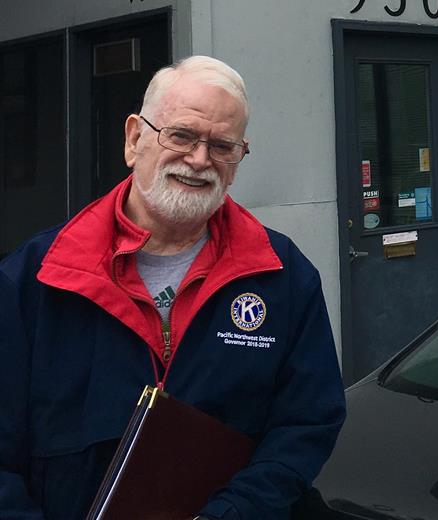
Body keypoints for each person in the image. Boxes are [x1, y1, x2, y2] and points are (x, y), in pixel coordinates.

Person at [0, 56, 346, 519]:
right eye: (181, 135)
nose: (199, 160)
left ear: (239, 159)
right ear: (134, 138)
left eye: (223, 146)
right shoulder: (35, 279)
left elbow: (305, 424)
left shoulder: (283, 277)